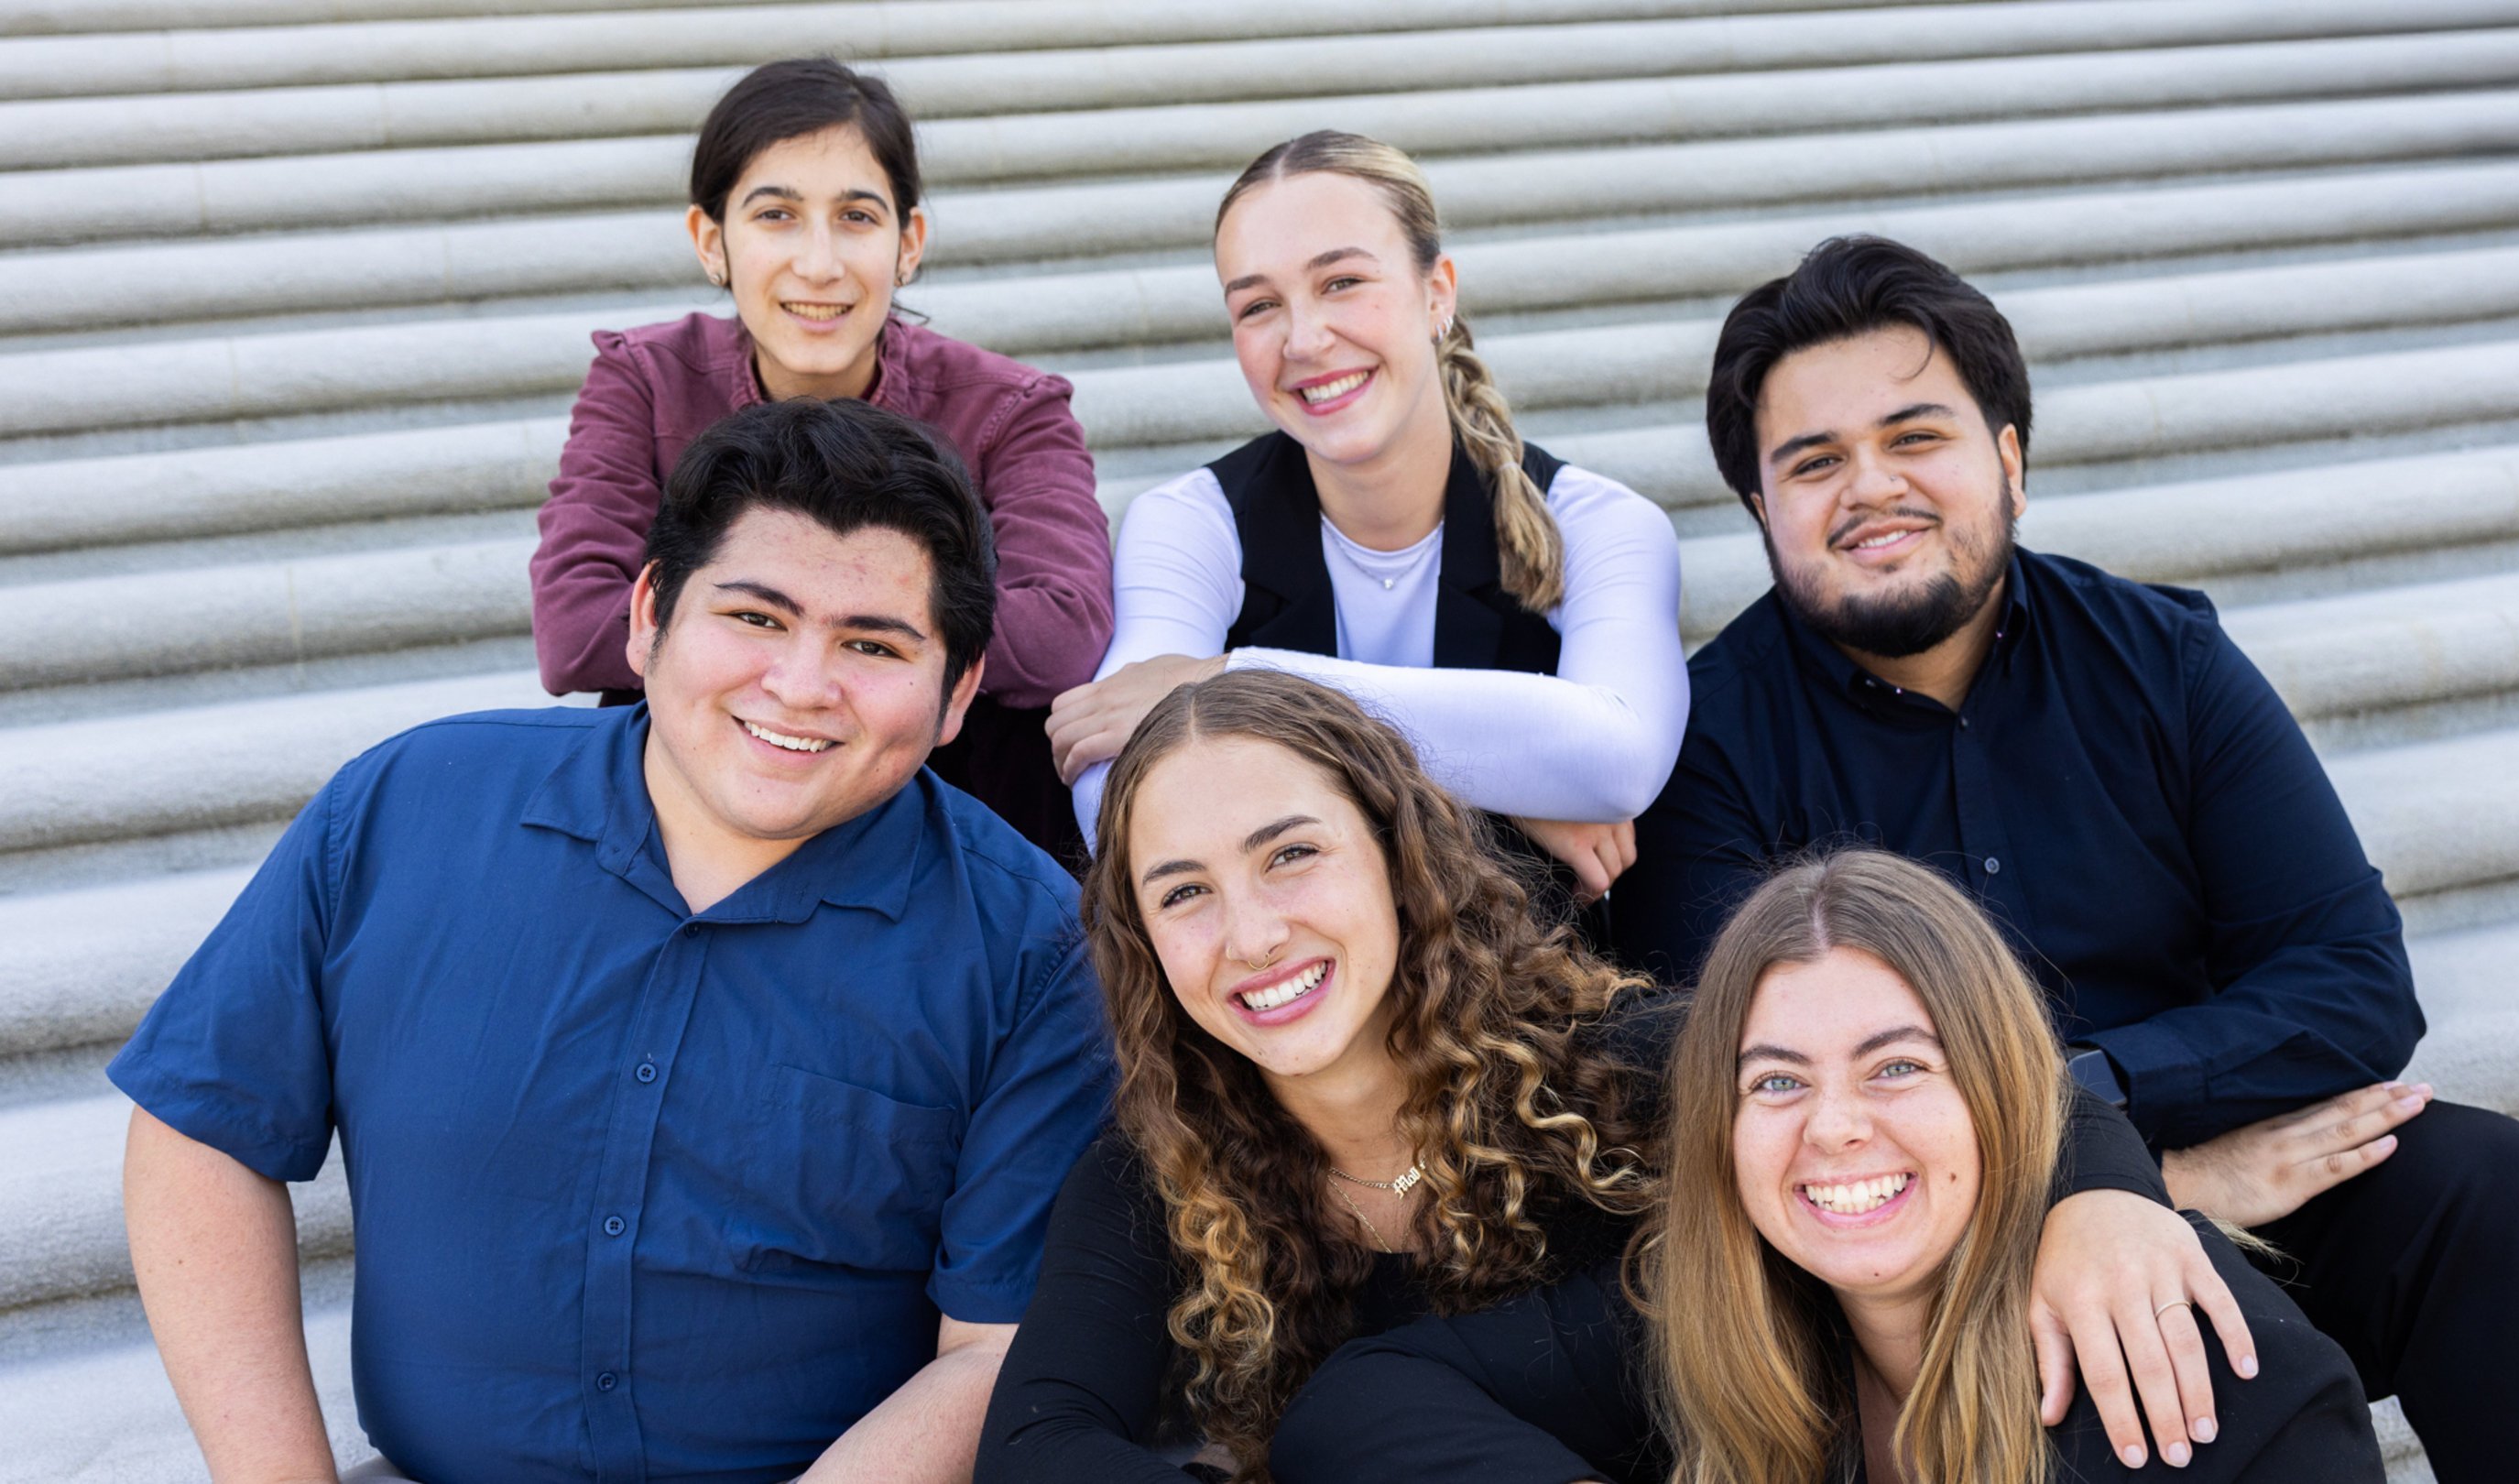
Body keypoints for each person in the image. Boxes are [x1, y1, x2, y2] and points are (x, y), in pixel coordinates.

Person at [1611, 235, 2519, 1480]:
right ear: (1762, 510)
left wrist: (2118, 1131)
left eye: (1915, 437)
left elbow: (2353, 979)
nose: (1870, 486)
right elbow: (1715, 1068)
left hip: (2205, 1168)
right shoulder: (1704, 741)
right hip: (1896, 1234)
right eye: (1815, 461)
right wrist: (2138, 1176)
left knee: (2483, 1186)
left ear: (2010, 461)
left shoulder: (2165, 660)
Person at [114, 398, 1112, 1484]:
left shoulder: (1033, 948)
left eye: (871, 644)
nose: (800, 686)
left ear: (959, 692)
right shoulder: (408, 806)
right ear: (648, 617)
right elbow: (201, 1130)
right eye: (756, 617)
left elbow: (995, 1349)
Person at [982, 671, 2262, 1484]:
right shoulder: (1164, 1165)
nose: (1252, 935)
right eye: (1184, 893)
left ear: (1395, 857)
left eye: (1290, 856)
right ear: (1141, 941)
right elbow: (1040, 1444)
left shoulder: (1607, 1060)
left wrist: (2104, 1198)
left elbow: (1974, 1081)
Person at [1271, 850, 2385, 1484]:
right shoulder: (1711, 1315)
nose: (1836, 1128)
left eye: (1897, 1067)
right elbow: (1353, 1405)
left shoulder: (2213, 1378)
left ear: (2000, 1087)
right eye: (1776, 1082)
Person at [1047, 130, 1686, 910]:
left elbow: (1618, 757)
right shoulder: (1191, 521)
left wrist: (1230, 680)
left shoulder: (1599, 522)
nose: (1305, 339)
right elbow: (1112, 796)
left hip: (1527, 973)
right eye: (1258, 305)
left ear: (1437, 293)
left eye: (1342, 282)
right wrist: (1506, 788)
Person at [531, 57, 1113, 863]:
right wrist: (882, 645)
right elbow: (573, 627)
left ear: (908, 242)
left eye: (856, 217)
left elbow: (1064, 631)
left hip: (943, 802)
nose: (819, 264)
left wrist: (750, 626)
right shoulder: (648, 380)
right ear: (712, 240)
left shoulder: (1008, 408)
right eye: (776, 215)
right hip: (695, 794)